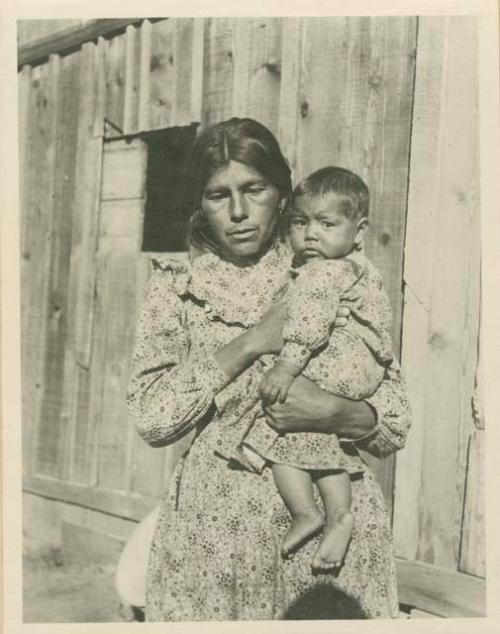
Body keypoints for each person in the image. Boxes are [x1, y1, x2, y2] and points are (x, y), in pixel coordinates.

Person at [126, 117, 411, 620]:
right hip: (214, 541)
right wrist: (255, 340)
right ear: (200, 202)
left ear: (282, 192)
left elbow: (394, 424)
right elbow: (153, 418)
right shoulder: (176, 290)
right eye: (218, 195)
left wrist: (332, 411)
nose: (238, 211)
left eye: (254, 189)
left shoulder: (335, 269)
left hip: (329, 540)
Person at [217, 166, 396, 573]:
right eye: (300, 222)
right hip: (361, 370)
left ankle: (305, 511)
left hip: (335, 364)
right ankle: (339, 513)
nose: (310, 234)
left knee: (284, 420)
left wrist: (285, 365)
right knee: (321, 437)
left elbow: (308, 326)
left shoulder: (323, 272)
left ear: (360, 229)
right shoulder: (361, 270)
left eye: (326, 223)